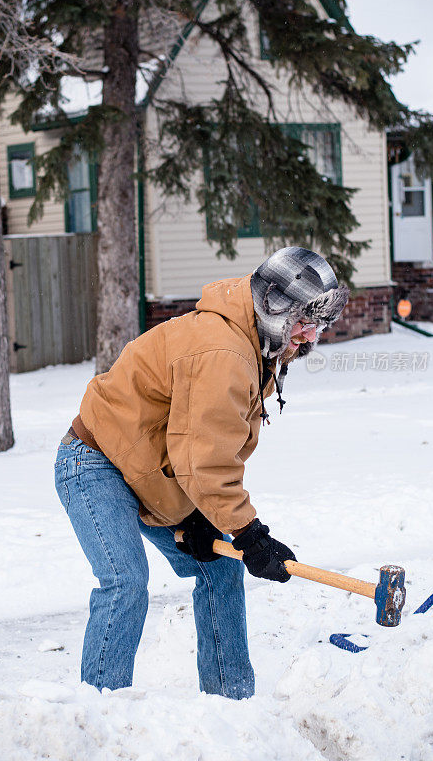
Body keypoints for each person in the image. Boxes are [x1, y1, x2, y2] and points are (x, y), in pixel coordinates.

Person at [54, 246, 349, 699]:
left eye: (318, 324)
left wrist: (195, 518)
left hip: (151, 473)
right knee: (126, 581)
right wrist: (250, 535)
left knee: (218, 569)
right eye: (302, 320)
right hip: (96, 462)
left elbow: (192, 448)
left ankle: (231, 702)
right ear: (273, 307)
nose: (308, 336)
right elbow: (205, 461)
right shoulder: (223, 351)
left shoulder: (250, 344)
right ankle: (98, 714)